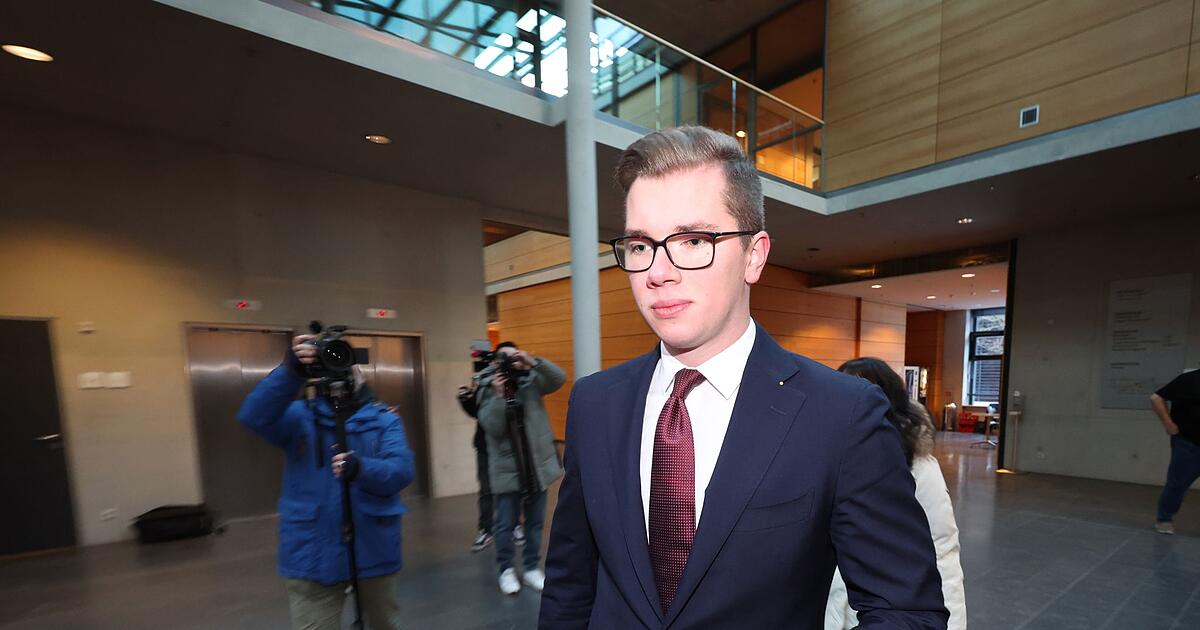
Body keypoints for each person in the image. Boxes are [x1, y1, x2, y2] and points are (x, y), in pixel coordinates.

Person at [539, 126, 947, 629]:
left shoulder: (841, 416)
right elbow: (569, 588)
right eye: (641, 246)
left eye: (693, 241)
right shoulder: (595, 404)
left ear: (754, 255)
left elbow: (906, 610)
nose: (658, 272)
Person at [239, 333, 414, 630]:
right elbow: (253, 416)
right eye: (329, 359)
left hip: (373, 547)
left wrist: (362, 469)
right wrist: (290, 372)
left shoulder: (384, 419)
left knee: (384, 623)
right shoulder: (299, 418)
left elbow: (401, 470)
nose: (338, 367)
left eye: (342, 358)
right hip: (313, 551)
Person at [826, 357, 967, 630]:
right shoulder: (828, 456)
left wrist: (951, 622)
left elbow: (942, 547)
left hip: (888, 606)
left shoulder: (920, 466)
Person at [475, 341, 566, 595]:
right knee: (505, 525)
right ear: (496, 363)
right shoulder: (486, 388)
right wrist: (498, 396)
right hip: (508, 470)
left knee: (535, 522)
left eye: (513, 357)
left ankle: (531, 568)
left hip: (536, 468)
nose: (510, 363)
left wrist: (531, 361)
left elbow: (559, 378)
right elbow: (493, 427)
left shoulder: (531, 381)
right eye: (505, 358)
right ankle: (506, 569)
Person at [1151, 368, 1200, 535]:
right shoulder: (1190, 379)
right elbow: (1156, 398)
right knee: (1177, 483)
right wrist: (1169, 424)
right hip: (1189, 442)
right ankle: (1164, 519)